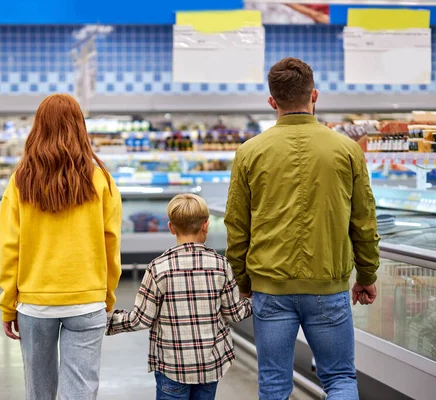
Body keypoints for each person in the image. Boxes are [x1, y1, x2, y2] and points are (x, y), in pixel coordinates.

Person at [225, 57, 380, 400]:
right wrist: (366, 275)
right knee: (339, 378)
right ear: (315, 96)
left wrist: (243, 279)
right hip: (328, 285)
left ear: (272, 101)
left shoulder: (249, 152)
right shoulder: (347, 150)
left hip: (270, 286)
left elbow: (237, 226)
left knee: (275, 383)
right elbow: (364, 220)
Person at [0, 93, 122, 400]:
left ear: (38, 128)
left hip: (35, 303)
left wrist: (8, 303)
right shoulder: (101, 180)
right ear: (80, 127)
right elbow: (111, 243)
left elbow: (9, 247)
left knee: (38, 393)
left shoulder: (20, 181)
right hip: (87, 301)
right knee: (80, 390)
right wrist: (106, 295)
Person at [107, 194, 252, 400]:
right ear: (206, 225)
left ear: (171, 227)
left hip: (172, 367)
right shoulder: (220, 265)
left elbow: (142, 319)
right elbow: (235, 313)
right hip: (209, 366)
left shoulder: (158, 268)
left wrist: (106, 322)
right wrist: (255, 301)